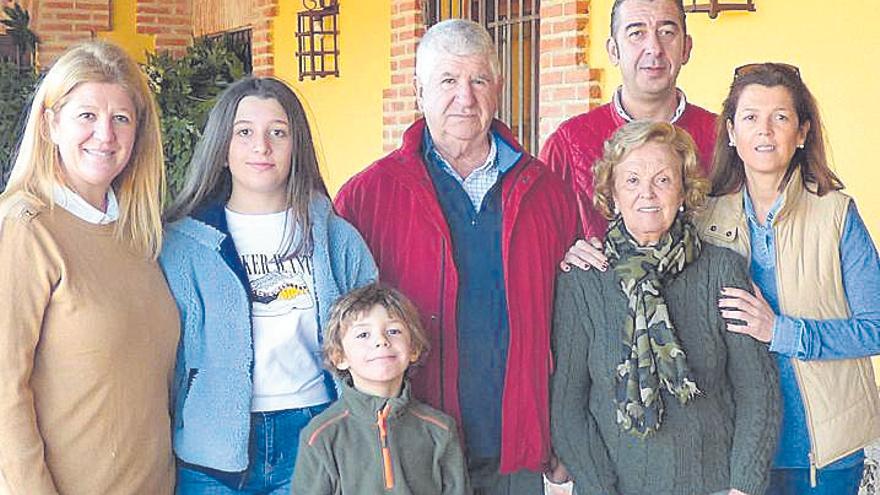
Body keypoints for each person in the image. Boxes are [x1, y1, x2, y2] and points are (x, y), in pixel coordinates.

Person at [334, 18, 579, 493]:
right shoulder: (367, 197)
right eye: (448, 80)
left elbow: (572, 322)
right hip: (404, 449)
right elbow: (340, 326)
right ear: (419, 90)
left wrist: (564, 432)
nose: (465, 97)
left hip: (513, 447)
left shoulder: (547, 192)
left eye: (478, 80)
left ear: (498, 87)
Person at [159, 77, 377, 494]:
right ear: (222, 148)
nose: (261, 146)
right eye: (244, 132)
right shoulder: (183, 245)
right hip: (210, 452)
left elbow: (371, 344)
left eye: (278, 132)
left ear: (297, 147)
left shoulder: (335, 238)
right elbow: (164, 358)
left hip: (312, 435)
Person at [551, 120, 780, 495]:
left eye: (663, 180)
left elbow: (758, 390)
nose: (648, 194)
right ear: (612, 192)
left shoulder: (721, 269)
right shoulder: (584, 280)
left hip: (715, 487)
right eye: (632, 181)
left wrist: (743, 487)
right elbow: (567, 408)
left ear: (685, 190)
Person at [0, 41, 178, 494]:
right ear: (50, 123)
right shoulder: (27, 228)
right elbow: (4, 390)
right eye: (87, 116)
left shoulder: (137, 233)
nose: (106, 135)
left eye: (122, 118)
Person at [697, 63, 880, 494]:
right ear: (730, 132)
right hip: (736, 450)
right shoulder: (703, 220)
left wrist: (780, 331)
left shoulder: (835, 214)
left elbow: (875, 326)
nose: (765, 130)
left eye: (780, 117)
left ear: (801, 133)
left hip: (825, 452)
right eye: (750, 117)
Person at [540, 0, 716, 238]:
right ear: (613, 51)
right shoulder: (568, 144)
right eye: (636, 33)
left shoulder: (722, 138)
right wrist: (567, 255)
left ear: (686, 48)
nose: (654, 48)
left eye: (666, 32)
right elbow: (542, 241)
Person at [293, 283, 470, 494]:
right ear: (339, 357)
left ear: (413, 349)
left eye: (393, 331)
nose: (381, 341)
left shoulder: (440, 430)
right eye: (363, 335)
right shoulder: (320, 436)